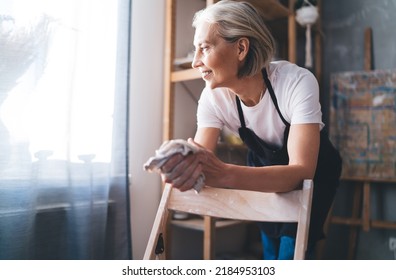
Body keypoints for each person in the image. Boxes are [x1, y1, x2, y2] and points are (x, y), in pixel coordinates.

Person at [160, 0, 342, 260]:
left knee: (292, 252)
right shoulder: (212, 98)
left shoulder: (297, 82)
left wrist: (223, 173)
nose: (195, 62)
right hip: (262, 170)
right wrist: (178, 165)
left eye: (205, 48)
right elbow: (199, 163)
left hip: (314, 174)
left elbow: (301, 172)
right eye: (195, 50)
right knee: (269, 249)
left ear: (241, 48)